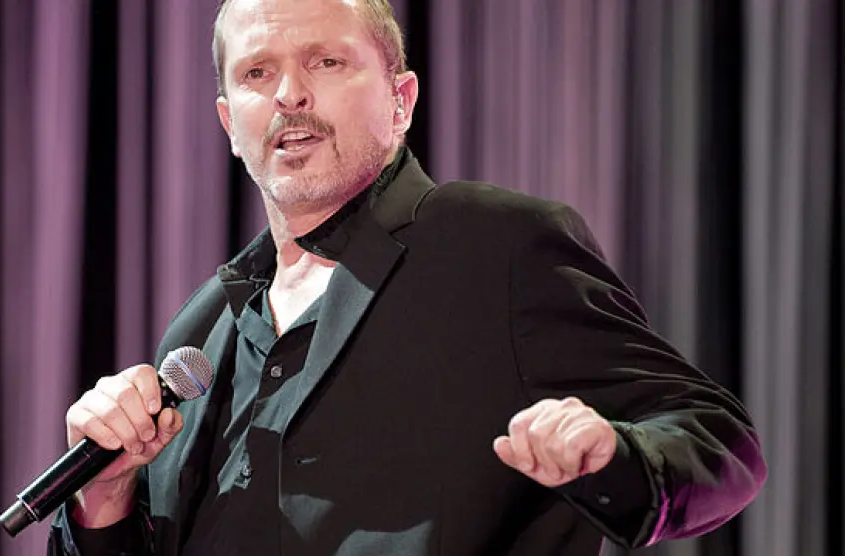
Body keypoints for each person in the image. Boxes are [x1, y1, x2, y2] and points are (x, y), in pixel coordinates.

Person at [47, 0, 767, 554]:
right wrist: (103, 499)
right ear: (229, 122)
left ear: (402, 101)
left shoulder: (494, 246)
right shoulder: (202, 328)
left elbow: (720, 443)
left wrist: (612, 454)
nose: (289, 93)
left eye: (327, 62)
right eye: (257, 73)